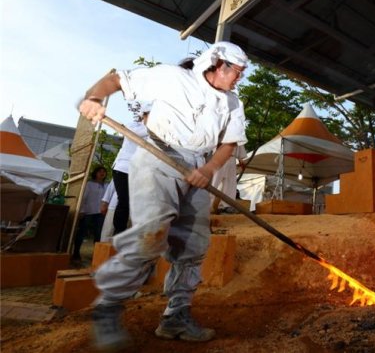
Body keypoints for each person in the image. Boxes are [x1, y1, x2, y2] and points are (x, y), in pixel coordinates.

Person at [77, 41, 248, 351]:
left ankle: (176, 317)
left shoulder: (233, 103)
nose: (239, 78)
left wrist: (209, 169)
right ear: (219, 65)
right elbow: (116, 80)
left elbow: (229, 144)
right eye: (237, 72)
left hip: (197, 167)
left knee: (194, 245)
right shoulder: (173, 78)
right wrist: (94, 97)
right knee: (151, 236)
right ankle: (108, 307)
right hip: (159, 157)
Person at [111, 102, 151, 234]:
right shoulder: (133, 126)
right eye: (150, 115)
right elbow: (138, 133)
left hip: (140, 171)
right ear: (143, 115)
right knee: (124, 201)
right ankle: (118, 232)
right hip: (123, 168)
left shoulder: (157, 131)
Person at [72, 166, 108, 263]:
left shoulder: (106, 185)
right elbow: (83, 198)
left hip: (100, 213)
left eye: (104, 172)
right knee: (82, 233)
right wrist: (82, 210)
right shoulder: (89, 184)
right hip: (88, 212)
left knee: (98, 234)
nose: (102, 173)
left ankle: (96, 255)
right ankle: (76, 253)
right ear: (95, 173)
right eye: (100, 171)